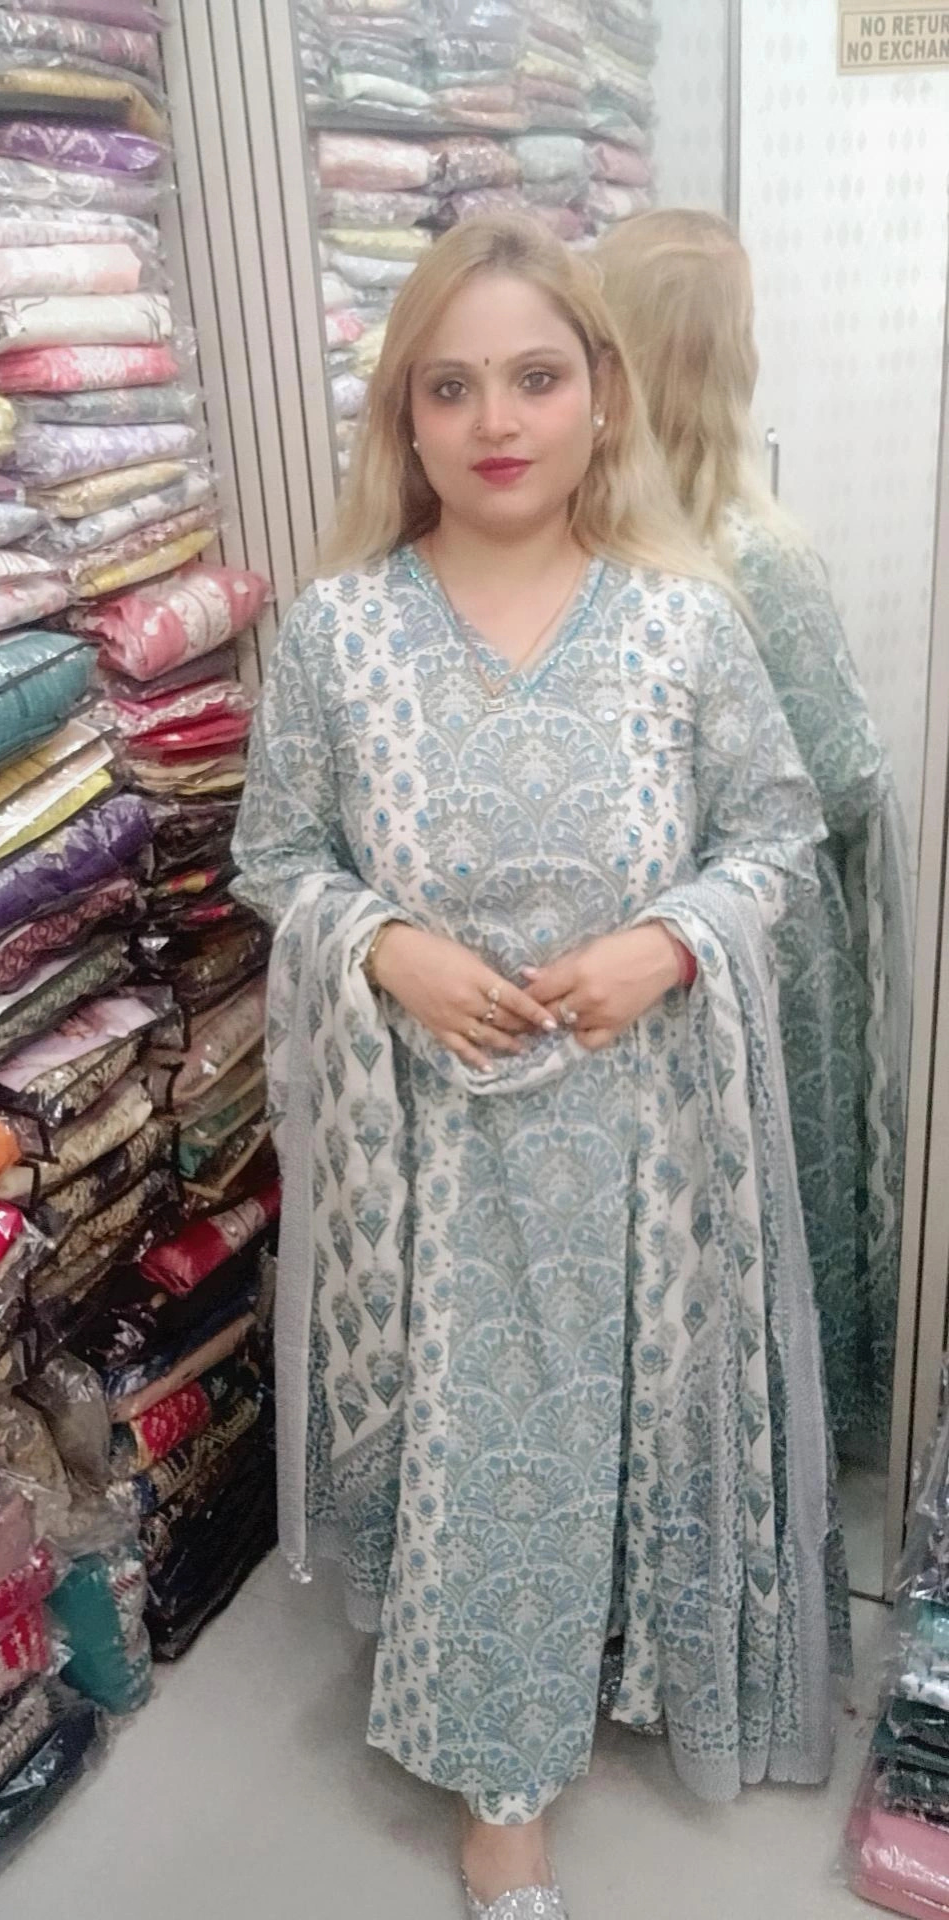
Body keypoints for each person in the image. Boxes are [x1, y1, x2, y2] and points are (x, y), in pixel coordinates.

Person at [231, 214, 845, 1920]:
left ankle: (626, 1652)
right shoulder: (341, 636)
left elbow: (779, 829)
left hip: (646, 1131)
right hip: (431, 1142)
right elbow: (274, 855)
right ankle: (503, 1772)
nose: (495, 420)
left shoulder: (683, 627)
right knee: (491, 1434)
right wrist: (383, 943)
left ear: (602, 396)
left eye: (534, 377)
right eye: (451, 386)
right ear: (405, 419)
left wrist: (671, 943)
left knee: (630, 1418)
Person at [595, 209, 912, 1464]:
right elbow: (844, 771)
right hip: (759, 944)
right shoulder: (753, 557)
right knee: (772, 1192)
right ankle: (780, 1451)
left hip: (627, 941)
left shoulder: (589, 551)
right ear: (726, 354)